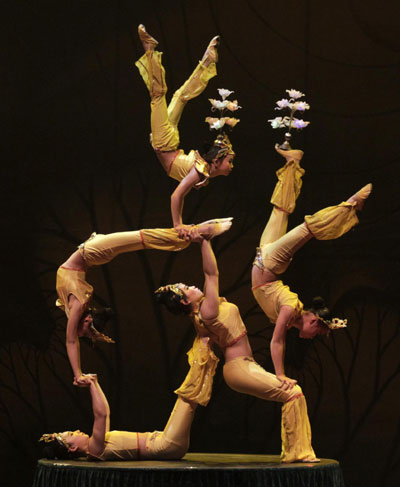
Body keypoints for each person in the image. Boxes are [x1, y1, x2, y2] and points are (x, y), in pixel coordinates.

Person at [155, 231, 318, 463]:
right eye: (187, 288)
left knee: (293, 394)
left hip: (243, 366)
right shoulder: (208, 311)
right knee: (293, 393)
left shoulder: (201, 313)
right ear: (185, 301)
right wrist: (204, 241)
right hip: (238, 368)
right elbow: (211, 274)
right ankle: (298, 452)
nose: (192, 286)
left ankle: (297, 451)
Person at [251, 145, 372, 389]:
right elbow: (277, 342)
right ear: (314, 322)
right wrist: (280, 375)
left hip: (265, 258)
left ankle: (293, 162)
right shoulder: (288, 309)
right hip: (270, 264)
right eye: (314, 334)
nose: (309, 337)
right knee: (308, 230)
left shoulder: (291, 315)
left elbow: (279, 339)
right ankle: (350, 204)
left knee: (281, 211)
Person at [56, 219, 231, 387]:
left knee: (142, 238)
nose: (82, 334)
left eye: (87, 333)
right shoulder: (75, 306)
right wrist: (79, 372)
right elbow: (73, 339)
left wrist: (77, 373)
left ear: (87, 321)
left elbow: (70, 341)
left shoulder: (76, 306)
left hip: (92, 251)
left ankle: (194, 232)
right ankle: (193, 233)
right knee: (142, 239)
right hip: (92, 253)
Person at [40, 337, 218, 461]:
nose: (77, 430)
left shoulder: (99, 442)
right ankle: (205, 347)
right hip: (165, 446)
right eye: (72, 435)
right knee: (187, 398)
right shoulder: (94, 451)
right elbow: (100, 415)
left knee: (188, 399)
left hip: (163, 440)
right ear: (72, 448)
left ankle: (206, 349)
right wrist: (92, 386)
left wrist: (95, 383)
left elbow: (106, 414)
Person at [135, 25, 235, 239]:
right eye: (230, 161)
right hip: (164, 143)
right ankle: (150, 51)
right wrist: (177, 224)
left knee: (181, 95)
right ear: (217, 160)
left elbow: (182, 191)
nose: (231, 166)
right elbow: (176, 195)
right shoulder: (200, 170)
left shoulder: (203, 172)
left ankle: (207, 60)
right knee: (158, 95)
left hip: (169, 140)